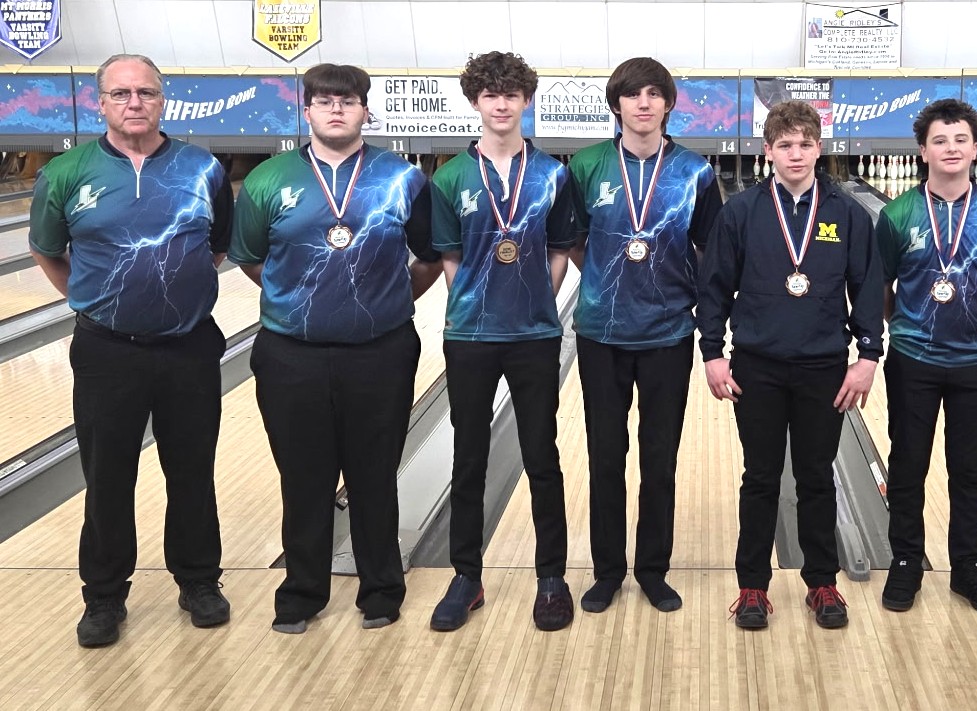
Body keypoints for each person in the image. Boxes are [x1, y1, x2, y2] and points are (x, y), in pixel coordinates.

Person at [29, 53, 233, 649]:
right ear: (100, 103)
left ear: (163, 100)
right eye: (121, 94)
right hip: (106, 351)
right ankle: (103, 596)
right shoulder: (66, 172)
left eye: (145, 92)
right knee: (107, 475)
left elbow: (217, 246)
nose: (134, 103)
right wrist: (93, 301)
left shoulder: (203, 168)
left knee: (191, 470)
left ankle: (198, 581)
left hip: (188, 346)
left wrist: (172, 296)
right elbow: (45, 249)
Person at [230, 63, 443, 634]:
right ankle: (302, 592)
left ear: (365, 111)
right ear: (307, 110)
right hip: (290, 354)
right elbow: (250, 258)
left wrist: (387, 302)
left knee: (375, 476)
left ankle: (381, 590)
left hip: (380, 351)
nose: (336, 110)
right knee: (303, 477)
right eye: (324, 101)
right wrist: (296, 300)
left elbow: (428, 257)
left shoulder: (404, 179)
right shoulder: (267, 179)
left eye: (347, 101)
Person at [699, 100, 883, 630]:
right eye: (785, 145)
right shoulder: (741, 212)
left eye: (805, 144)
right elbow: (714, 287)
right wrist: (712, 353)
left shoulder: (847, 213)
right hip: (756, 367)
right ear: (768, 151)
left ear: (819, 148)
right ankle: (752, 587)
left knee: (816, 478)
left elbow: (867, 289)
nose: (795, 153)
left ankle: (822, 582)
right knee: (759, 477)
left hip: (823, 368)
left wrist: (868, 356)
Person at [427, 51, 577, 633]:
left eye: (511, 93)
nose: (501, 104)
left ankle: (551, 577)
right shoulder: (450, 177)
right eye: (490, 94)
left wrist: (538, 298)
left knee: (542, 456)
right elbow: (449, 256)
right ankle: (466, 576)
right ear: (475, 102)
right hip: (470, 336)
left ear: (525, 100)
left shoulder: (553, 175)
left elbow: (560, 248)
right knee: (469, 457)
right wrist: (475, 305)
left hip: (534, 334)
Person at [567, 57, 722, 614]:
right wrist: (606, 281)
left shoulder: (695, 172)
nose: (644, 103)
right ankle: (608, 571)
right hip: (600, 334)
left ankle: (653, 570)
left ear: (668, 103)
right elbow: (573, 240)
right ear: (617, 103)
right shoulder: (586, 166)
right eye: (633, 94)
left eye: (655, 93)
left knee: (660, 460)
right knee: (606, 458)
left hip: (669, 333)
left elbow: (711, 252)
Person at [873, 99, 977, 615]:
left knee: (969, 470)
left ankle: (968, 566)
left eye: (960, 140)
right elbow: (881, 289)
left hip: (976, 362)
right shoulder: (897, 215)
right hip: (913, 359)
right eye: (940, 140)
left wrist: (971, 320)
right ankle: (906, 560)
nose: (951, 148)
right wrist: (912, 324)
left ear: (976, 149)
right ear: (923, 151)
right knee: (907, 464)